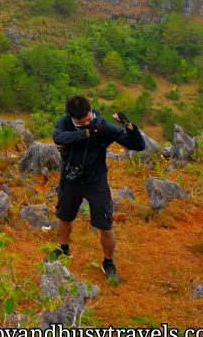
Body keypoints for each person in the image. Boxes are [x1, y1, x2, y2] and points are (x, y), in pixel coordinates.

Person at [51, 95, 146, 283]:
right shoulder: (65, 123)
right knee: (64, 216)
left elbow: (138, 145)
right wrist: (85, 133)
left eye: (88, 119)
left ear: (91, 108)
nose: (87, 122)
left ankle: (108, 262)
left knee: (105, 225)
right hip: (71, 179)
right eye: (81, 122)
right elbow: (57, 137)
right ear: (71, 117)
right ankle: (63, 249)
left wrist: (129, 126)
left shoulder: (103, 127)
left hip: (96, 182)